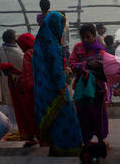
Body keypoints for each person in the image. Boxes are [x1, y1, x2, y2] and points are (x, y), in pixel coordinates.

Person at [33, 12, 83, 156]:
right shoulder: (52, 45)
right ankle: (68, 149)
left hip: (43, 89)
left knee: (54, 121)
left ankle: (55, 147)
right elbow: (55, 71)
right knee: (67, 119)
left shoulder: (39, 40)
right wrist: (65, 76)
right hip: (55, 90)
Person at [68, 23, 108, 145]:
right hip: (81, 88)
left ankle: (101, 139)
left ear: (94, 35)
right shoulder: (77, 47)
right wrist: (86, 65)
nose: (85, 40)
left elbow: (104, 68)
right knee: (83, 115)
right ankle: (86, 140)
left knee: (99, 115)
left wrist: (84, 65)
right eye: (83, 37)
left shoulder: (100, 50)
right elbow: (71, 64)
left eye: (88, 37)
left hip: (97, 89)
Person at [0, 33, 41, 147]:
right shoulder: (39, 51)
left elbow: (28, 78)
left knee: (31, 116)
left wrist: (14, 76)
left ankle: (37, 138)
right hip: (43, 88)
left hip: (32, 92)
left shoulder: (28, 54)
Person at [0, 29, 24, 126]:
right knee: (21, 110)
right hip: (19, 86)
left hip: (6, 86)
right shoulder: (19, 55)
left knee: (11, 109)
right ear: (13, 40)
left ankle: (15, 127)